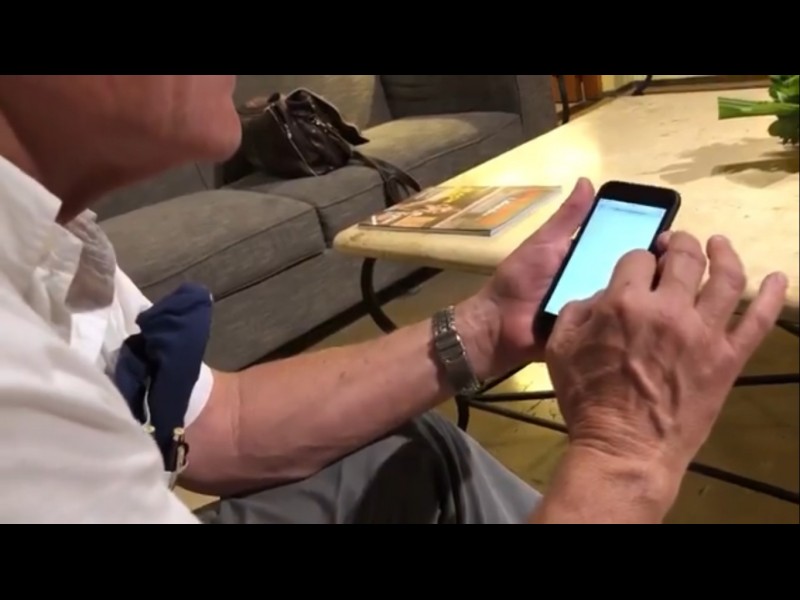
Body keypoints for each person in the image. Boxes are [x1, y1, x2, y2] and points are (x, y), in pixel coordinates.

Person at [0, 75, 788, 524]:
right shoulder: (15, 386)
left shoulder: (48, 243)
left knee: (414, 451)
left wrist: (486, 325)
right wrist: (625, 458)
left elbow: (217, 423)